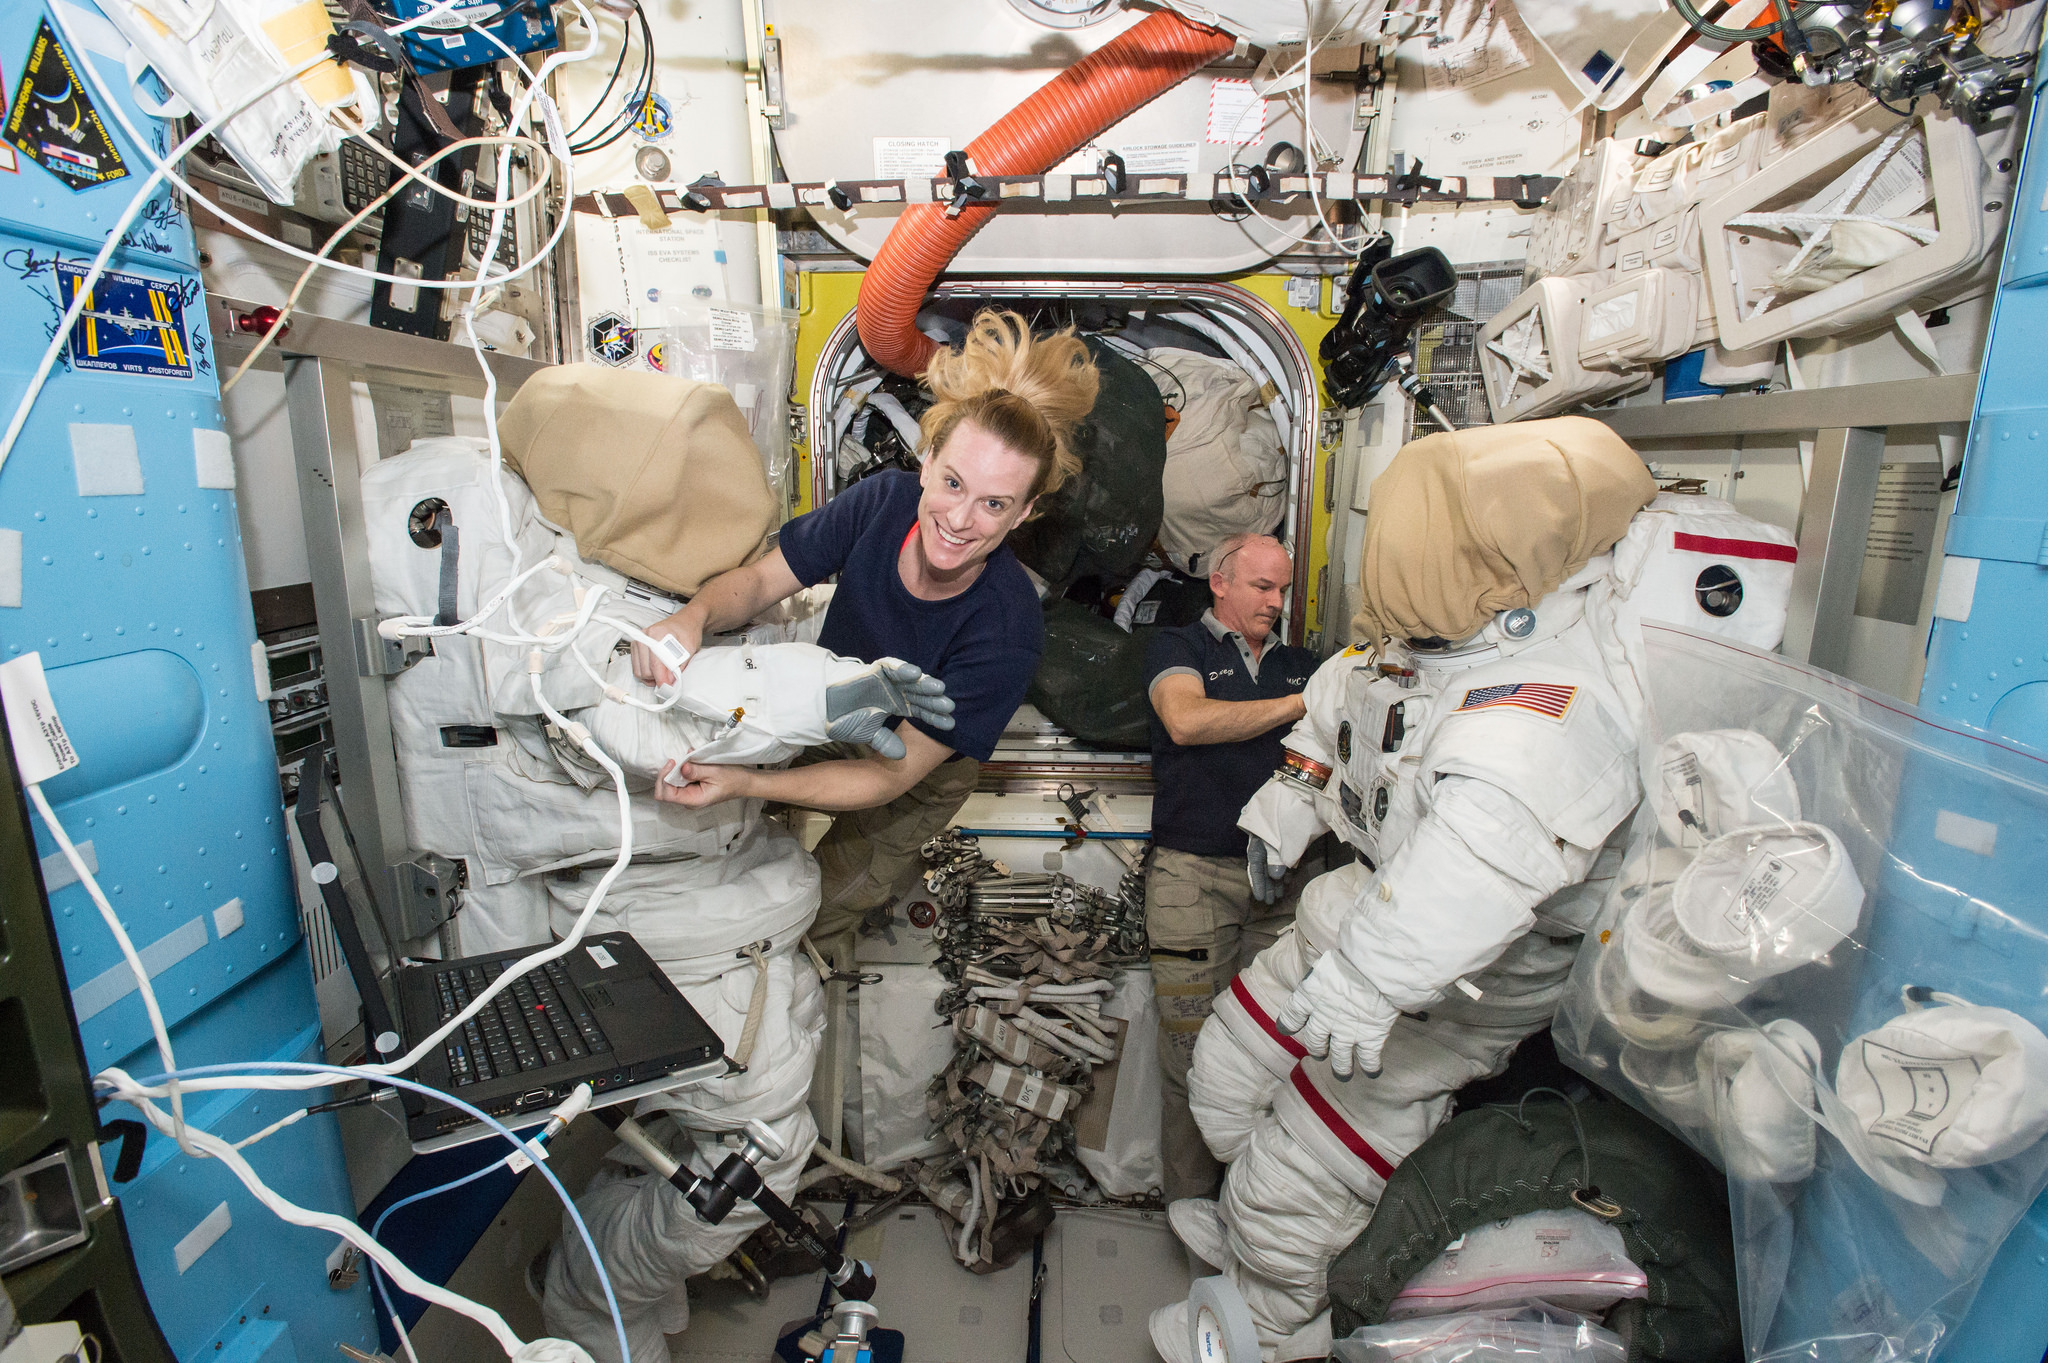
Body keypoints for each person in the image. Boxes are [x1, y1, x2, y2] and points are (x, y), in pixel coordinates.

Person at [1151, 417, 1662, 1361]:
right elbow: (1331, 719)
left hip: (1445, 984)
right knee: (1224, 1078)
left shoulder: (1539, 711)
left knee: (1299, 1170)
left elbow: (1472, 866)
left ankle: (1272, 1321)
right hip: (1357, 913)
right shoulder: (1410, 652)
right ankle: (1249, 1240)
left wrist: (1363, 985)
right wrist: (1285, 810)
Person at [631, 309, 1101, 969]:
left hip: (910, 772)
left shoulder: (1007, 629)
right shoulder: (881, 502)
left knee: (810, 914)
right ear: (928, 459)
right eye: (954, 483)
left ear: (1024, 513)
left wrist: (745, 783)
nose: (960, 520)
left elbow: (888, 775)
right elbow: (760, 582)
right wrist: (693, 617)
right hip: (833, 695)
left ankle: (799, 1003)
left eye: (994, 504)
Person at [1142, 532, 1319, 1203]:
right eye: (1261, 586)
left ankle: (1254, 1219)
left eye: (1282, 588)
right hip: (1193, 880)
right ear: (1221, 582)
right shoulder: (1179, 647)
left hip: (1284, 885)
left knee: (1276, 1059)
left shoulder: (1305, 663)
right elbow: (1186, 721)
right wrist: (1307, 703)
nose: (1275, 602)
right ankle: (1190, 1216)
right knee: (1192, 1061)